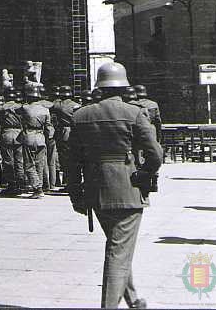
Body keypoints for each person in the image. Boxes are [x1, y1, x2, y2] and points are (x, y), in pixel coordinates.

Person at [69, 62, 161, 309]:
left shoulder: (80, 115)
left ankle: (133, 300)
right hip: (127, 189)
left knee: (117, 245)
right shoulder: (135, 113)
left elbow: (71, 162)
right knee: (119, 251)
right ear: (124, 86)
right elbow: (155, 155)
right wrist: (143, 175)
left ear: (99, 87)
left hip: (96, 191)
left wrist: (76, 195)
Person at [18, 84, 52, 199]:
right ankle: (40, 186)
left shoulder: (26, 108)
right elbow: (48, 127)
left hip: (29, 136)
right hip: (41, 138)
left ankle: (37, 187)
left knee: (28, 164)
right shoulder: (45, 110)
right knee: (40, 164)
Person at [53, 85, 80, 188]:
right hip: (74, 132)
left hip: (64, 132)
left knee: (65, 159)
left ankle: (68, 182)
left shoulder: (59, 105)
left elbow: (53, 105)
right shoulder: (76, 105)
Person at [0, 87, 23, 195]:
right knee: (19, 160)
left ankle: (11, 184)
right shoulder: (20, 107)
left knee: (8, 161)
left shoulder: (2, 107)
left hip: (6, 134)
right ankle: (21, 183)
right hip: (19, 134)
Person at [33, 85, 56, 192]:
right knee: (52, 160)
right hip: (52, 133)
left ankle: (44, 184)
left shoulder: (36, 105)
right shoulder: (53, 104)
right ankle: (52, 183)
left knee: (43, 161)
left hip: (41, 133)